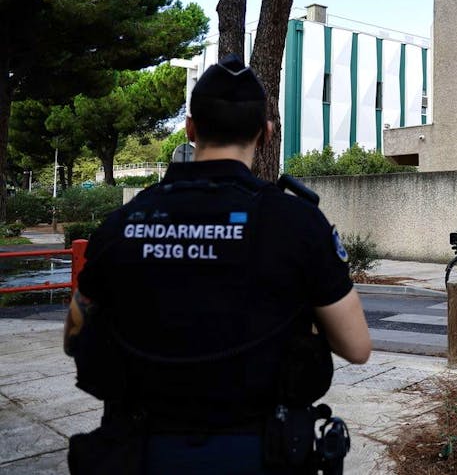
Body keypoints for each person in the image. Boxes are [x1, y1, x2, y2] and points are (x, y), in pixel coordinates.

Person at [63, 54, 371, 475]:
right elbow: (356, 347)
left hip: (140, 451)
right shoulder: (297, 223)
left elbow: (75, 338)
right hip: (259, 453)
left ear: (191, 129)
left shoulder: (121, 224)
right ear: (265, 134)